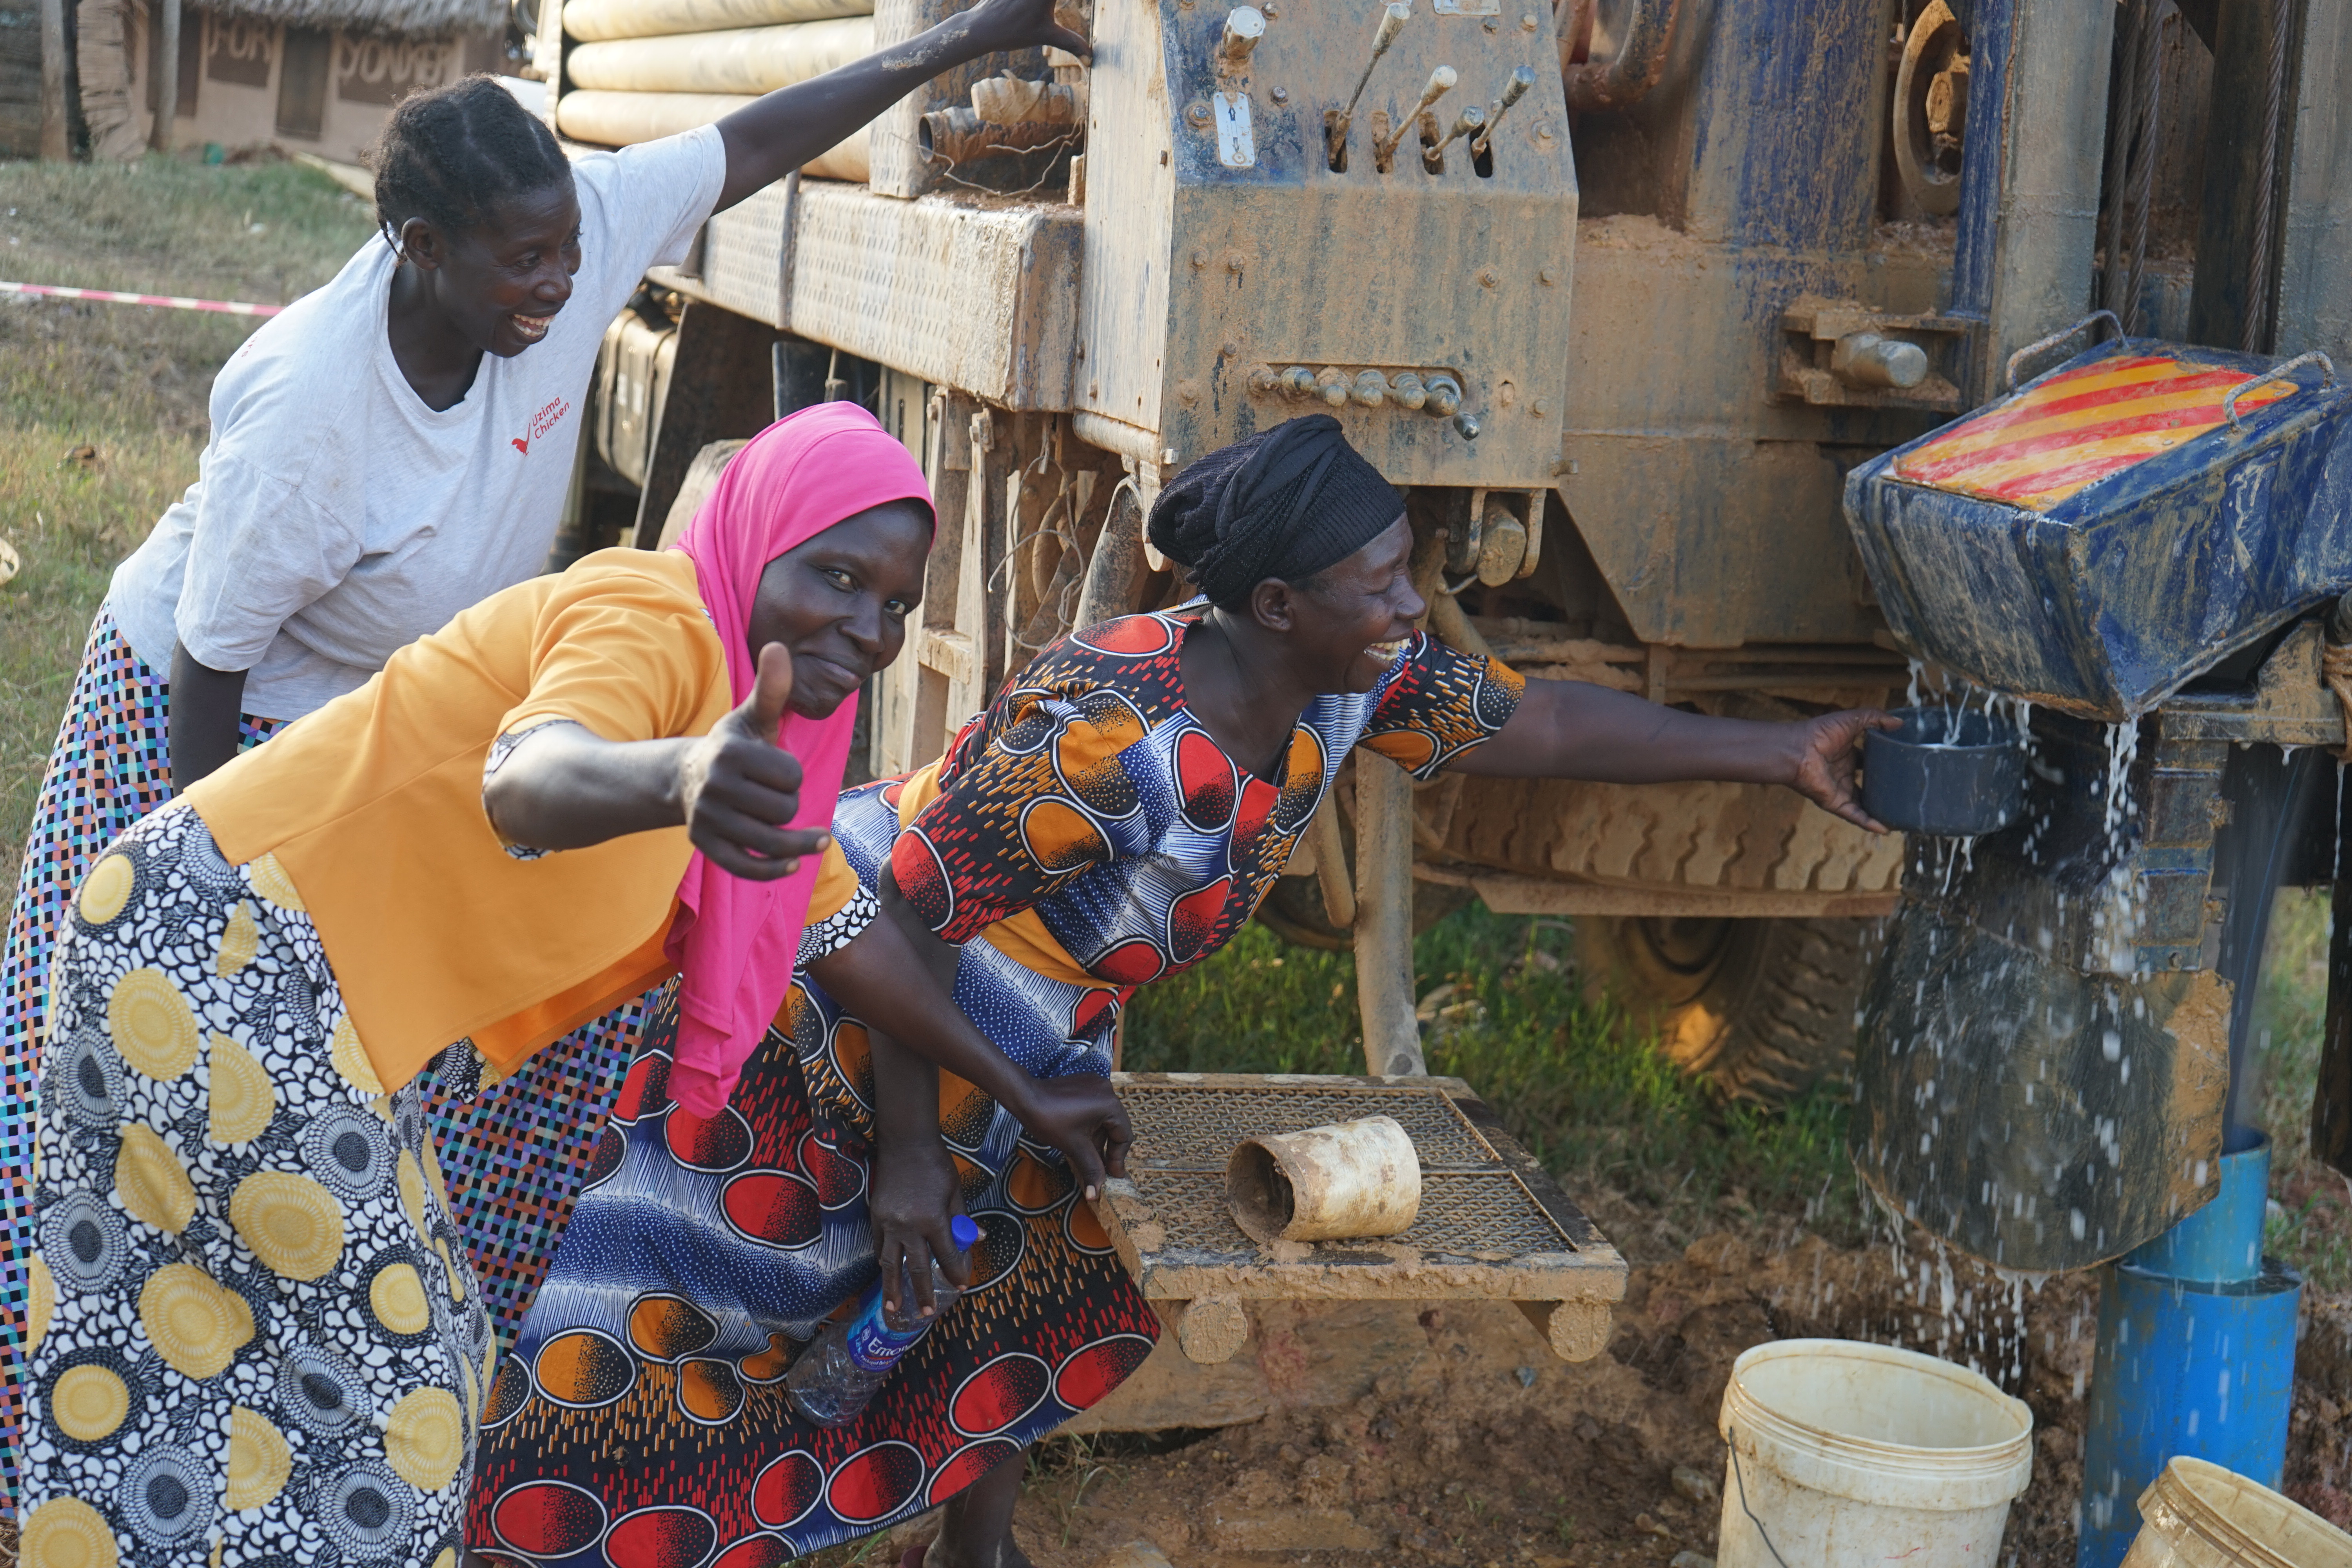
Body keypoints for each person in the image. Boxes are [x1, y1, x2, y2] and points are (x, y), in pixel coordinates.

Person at [0, 0, 1090, 1510]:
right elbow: (227, 656)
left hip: (386, 748)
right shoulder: (321, 417)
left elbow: (757, 138)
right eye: (523, 263)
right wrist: (212, 887)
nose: (561, 284)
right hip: (210, 726)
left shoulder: (564, 255)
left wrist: (964, 39)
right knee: (97, 1093)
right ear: (416, 246)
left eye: (568, 256)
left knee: (317, 1226)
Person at [467, 415, 1894, 1567]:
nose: (1412, 605)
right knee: (711, 1303)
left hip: (1026, 1043)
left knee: (1039, 1275)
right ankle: (573, 1531)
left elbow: (1543, 719)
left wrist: (1779, 753)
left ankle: (977, 1548)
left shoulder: (1349, 689)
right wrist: (909, 1152)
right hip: (842, 1010)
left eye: (1409, 570)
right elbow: (908, 896)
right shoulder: (1112, 727)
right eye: (1383, 581)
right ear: (1275, 606)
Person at [14, 405, 1130, 1568]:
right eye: (838, 577)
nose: (869, 625)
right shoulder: (651, 620)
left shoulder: (776, 758)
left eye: (895, 605)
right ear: (758, 539)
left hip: (276, 979)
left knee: (254, 1349)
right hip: (223, 947)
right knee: (405, 1395)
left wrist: (1023, 1092)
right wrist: (682, 771)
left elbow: (852, 938)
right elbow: (529, 773)